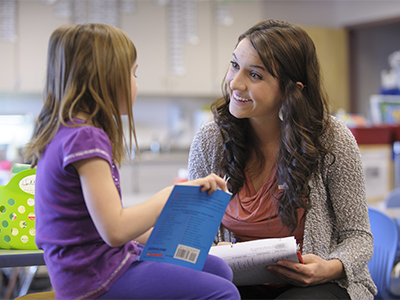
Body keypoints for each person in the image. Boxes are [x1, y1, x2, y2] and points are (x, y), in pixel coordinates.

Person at [23, 24, 240, 300]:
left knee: (218, 268)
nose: (136, 82)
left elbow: (99, 227)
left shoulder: (66, 132)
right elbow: (115, 230)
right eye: (133, 73)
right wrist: (173, 196)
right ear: (107, 78)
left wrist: (171, 238)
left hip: (95, 269)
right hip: (96, 278)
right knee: (224, 292)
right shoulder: (85, 138)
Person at [188, 19, 377, 300]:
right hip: (238, 282)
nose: (235, 83)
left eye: (256, 76)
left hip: (318, 285)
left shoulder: (332, 137)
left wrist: (329, 268)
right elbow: (195, 232)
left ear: (292, 90)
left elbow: (358, 237)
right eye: (235, 65)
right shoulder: (210, 139)